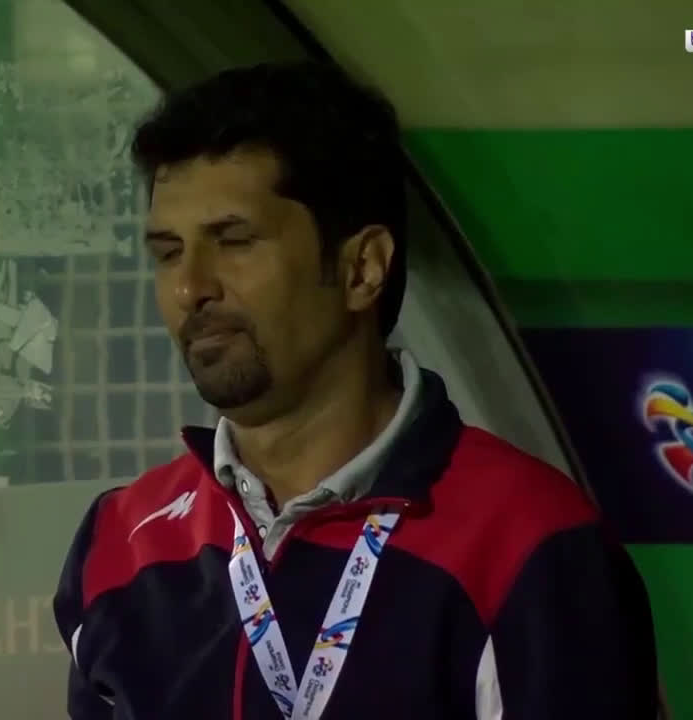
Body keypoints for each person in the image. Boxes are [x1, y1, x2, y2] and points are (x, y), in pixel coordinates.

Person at [53, 60, 659, 719]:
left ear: (362, 268)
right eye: (168, 252)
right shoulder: (119, 540)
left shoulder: (528, 542)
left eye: (234, 241)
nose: (189, 287)